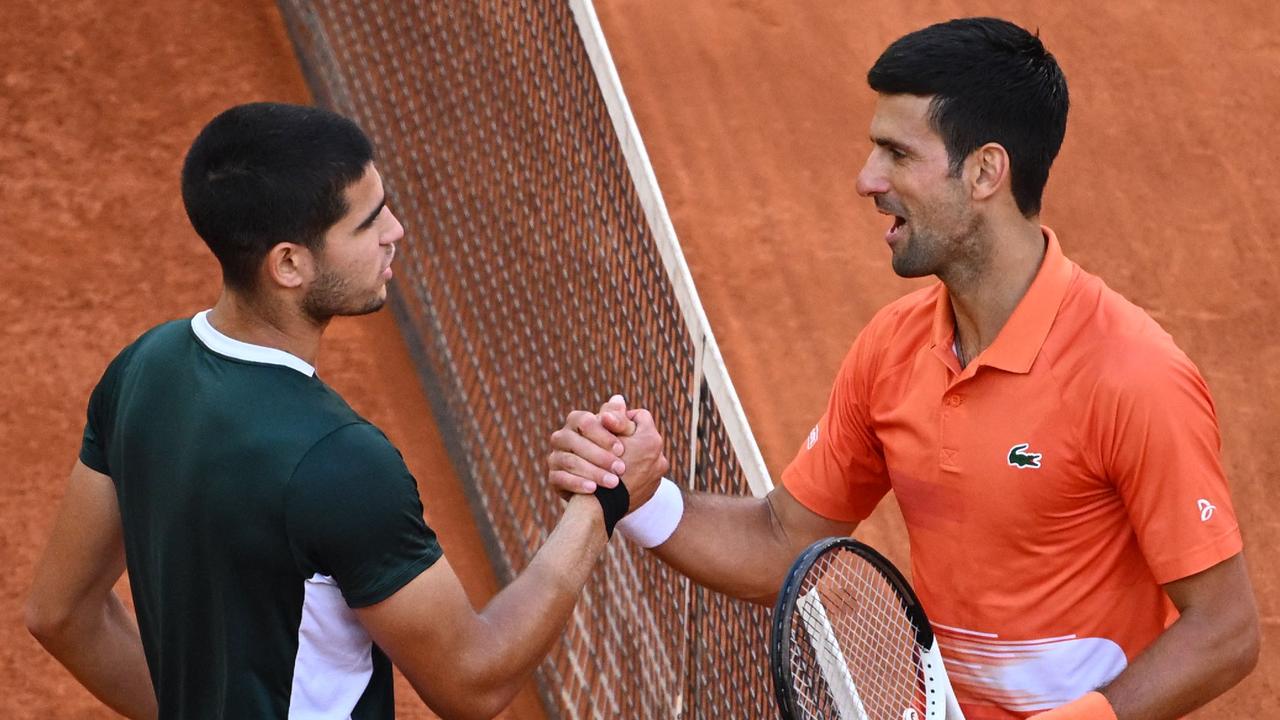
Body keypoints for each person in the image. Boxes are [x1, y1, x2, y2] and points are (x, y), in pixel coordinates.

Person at [547, 17, 1260, 720]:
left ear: (984, 171)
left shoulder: (1132, 376)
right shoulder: (892, 349)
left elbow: (1223, 632)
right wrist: (635, 497)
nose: (866, 180)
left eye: (896, 153)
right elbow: (780, 542)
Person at [24, 102, 668, 720]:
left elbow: (62, 613)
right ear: (289, 264)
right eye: (368, 223)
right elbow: (473, 681)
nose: (396, 232)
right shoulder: (340, 463)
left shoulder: (143, 369)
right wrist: (602, 505)